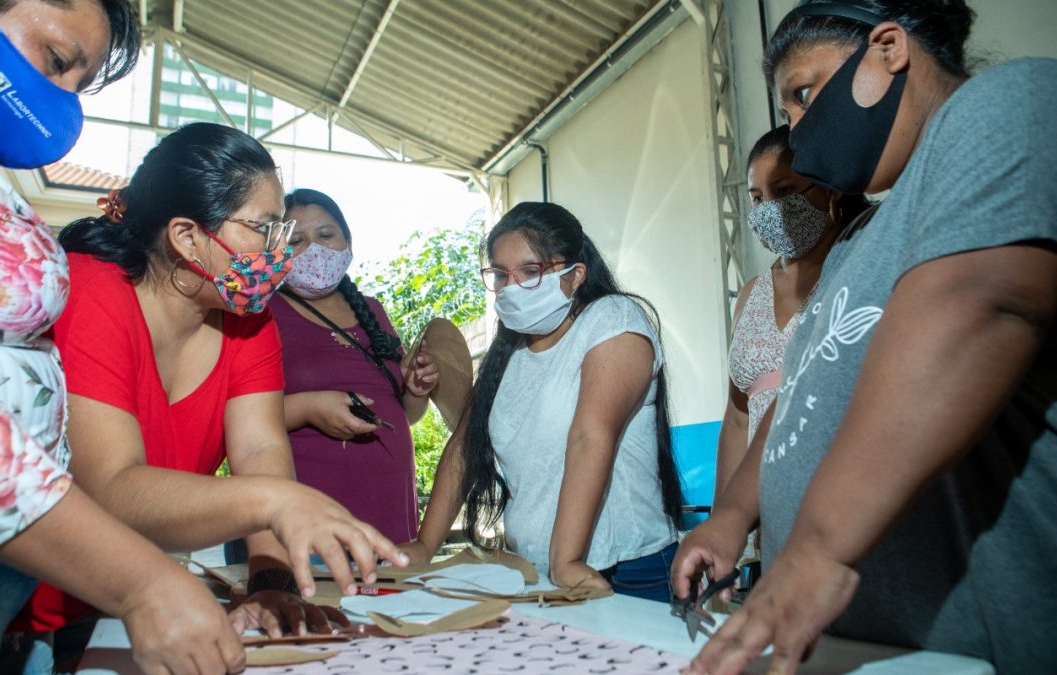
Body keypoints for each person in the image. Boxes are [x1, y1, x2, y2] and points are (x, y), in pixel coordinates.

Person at [673, 1, 1056, 673]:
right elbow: (801, 394)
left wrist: (818, 546)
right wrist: (732, 511)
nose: (798, 129)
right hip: (865, 646)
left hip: (979, 647)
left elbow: (979, 302)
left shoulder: (1007, 101)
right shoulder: (856, 241)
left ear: (888, 50)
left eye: (803, 93)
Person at [11, 123, 407, 656]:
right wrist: (278, 501)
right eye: (265, 229)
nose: (281, 252)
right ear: (187, 237)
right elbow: (109, 488)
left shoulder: (249, 320)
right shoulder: (89, 289)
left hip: (132, 599)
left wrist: (273, 587)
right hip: (24, 605)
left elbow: (261, 451)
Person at [0, 1, 249, 674]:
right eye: (58, 60)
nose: (63, 100)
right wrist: (143, 580)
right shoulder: (105, 290)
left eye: (81, 83)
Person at [403, 202, 684, 602]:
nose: (512, 287)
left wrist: (567, 560)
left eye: (531, 272)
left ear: (575, 275)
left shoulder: (614, 320)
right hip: (535, 571)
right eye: (501, 275)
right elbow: (464, 449)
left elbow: (590, 435)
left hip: (624, 571)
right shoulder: (507, 353)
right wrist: (424, 547)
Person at [273, 188, 439, 543]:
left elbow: (403, 415)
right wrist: (307, 409)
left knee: (387, 598)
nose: (313, 250)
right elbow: (237, 418)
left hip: (389, 510)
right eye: (296, 240)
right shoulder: (264, 314)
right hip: (313, 516)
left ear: (348, 240)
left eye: (325, 235)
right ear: (276, 252)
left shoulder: (372, 310)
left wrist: (416, 390)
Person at [717, 125, 870, 504]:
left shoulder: (861, 266)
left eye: (783, 191)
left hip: (845, 496)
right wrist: (724, 520)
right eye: (756, 198)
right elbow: (738, 419)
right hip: (766, 508)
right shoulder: (751, 295)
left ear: (829, 188)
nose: (769, 208)